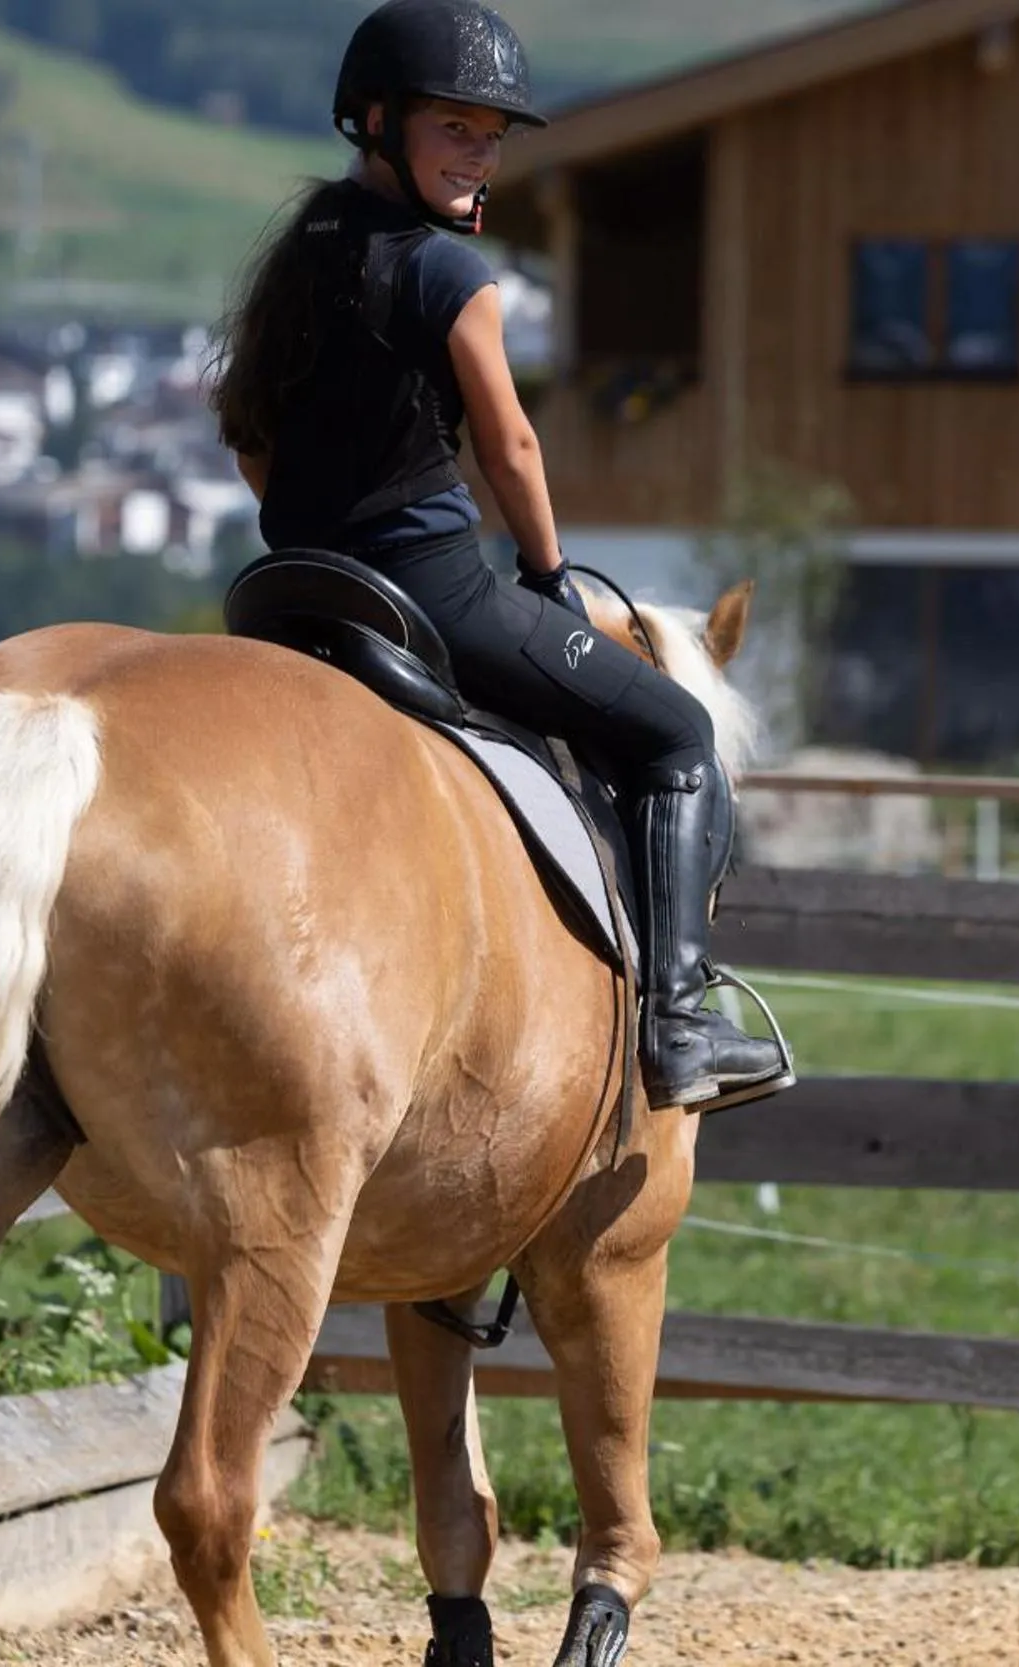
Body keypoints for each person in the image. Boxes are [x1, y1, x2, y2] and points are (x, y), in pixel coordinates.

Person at [211, 0, 789, 1113]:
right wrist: (546, 568)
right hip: (433, 592)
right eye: (453, 130)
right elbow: (509, 441)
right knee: (674, 732)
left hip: (293, 592)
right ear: (374, 122)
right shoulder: (446, 274)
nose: (480, 156)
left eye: (491, 135)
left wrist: (310, 526)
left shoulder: (297, 255)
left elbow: (246, 436)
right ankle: (676, 1021)